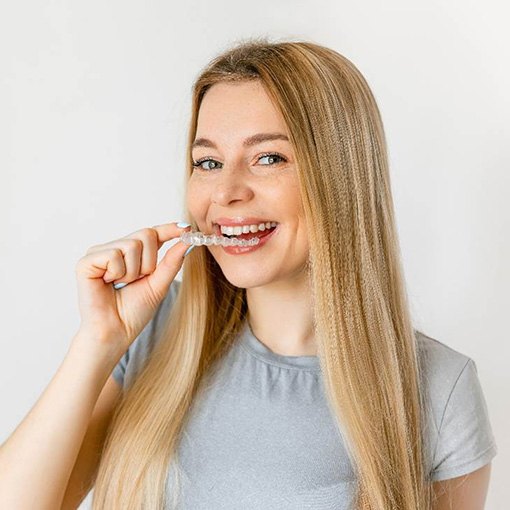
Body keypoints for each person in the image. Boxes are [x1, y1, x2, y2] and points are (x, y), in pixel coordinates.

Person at [0, 38, 497, 510]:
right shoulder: (153, 330)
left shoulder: (438, 387)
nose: (226, 192)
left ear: (341, 177)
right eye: (209, 161)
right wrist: (98, 342)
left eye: (268, 157)